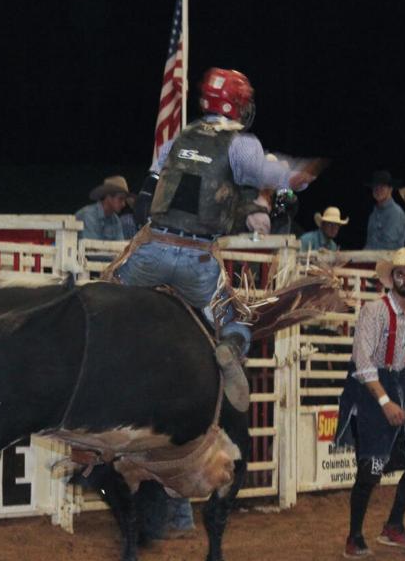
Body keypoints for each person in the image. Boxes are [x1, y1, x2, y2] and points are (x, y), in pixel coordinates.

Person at [117, 67, 313, 413]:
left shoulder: (180, 137)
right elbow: (269, 174)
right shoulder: (241, 144)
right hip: (197, 263)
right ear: (236, 105)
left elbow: (147, 194)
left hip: (152, 251)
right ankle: (230, 349)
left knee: (111, 288)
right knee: (234, 319)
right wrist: (299, 174)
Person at [335, 248, 405, 558]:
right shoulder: (374, 311)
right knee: (370, 468)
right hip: (368, 394)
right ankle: (354, 537)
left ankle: (393, 526)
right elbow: (363, 362)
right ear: (392, 278)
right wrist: (385, 401)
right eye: (401, 274)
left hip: (395, 390)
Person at [75, 175, 131, 241]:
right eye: (120, 199)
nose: (124, 204)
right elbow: (91, 246)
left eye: (124, 200)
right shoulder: (88, 216)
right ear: (109, 197)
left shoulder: (116, 220)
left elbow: (120, 245)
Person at [363, 169, 405, 251]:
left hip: (389, 258)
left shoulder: (396, 213)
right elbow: (369, 242)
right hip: (373, 257)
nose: (378, 190)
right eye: (375, 187)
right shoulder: (373, 214)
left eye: (382, 187)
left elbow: (389, 246)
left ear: (390, 189)